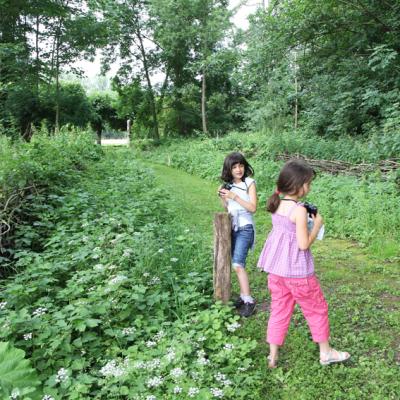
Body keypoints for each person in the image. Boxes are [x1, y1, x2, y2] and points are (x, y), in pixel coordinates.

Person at [257, 159, 350, 368]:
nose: (310, 187)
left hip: (277, 271)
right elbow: (303, 244)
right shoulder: (298, 210)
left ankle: (272, 356)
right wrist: (316, 225)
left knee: (279, 308)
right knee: (316, 308)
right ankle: (325, 353)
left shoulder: (276, 204)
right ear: (298, 185)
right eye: (308, 183)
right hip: (298, 273)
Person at [218, 152, 257, 317]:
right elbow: (228, 209)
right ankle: (242, 296)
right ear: (229, 169)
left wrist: (235, 196)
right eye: (234, 167)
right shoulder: (228, 185)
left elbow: (253, 208)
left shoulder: (249, 183)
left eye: (241, 165)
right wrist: (222, 197)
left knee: (238, 265)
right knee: (236, 264)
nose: (239, 169)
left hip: (246, 227)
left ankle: (249, 301)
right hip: (232, 227)